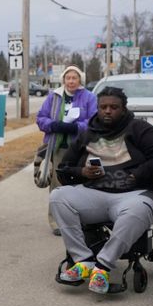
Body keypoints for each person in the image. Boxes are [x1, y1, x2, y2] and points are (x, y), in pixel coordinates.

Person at [50, 87, 153, 294]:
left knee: (136, 210)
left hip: (136, 193)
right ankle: (83, 261)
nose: (108, 111)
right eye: (103, 107)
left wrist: (136, 175)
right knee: (58, 197)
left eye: (113, 107)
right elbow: (63, 170)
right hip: (96, 193)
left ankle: (103, 266)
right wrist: (83, 172)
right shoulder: (87, 134)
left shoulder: (140, 129)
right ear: (97, 109)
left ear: (123, 109)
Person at [36, 65, 97, 236]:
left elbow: (94, 121)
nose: (71, 81)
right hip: (57, 149)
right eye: (68, 78)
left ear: (80, 80)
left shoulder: (89, 97)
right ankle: (56, 221)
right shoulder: (53, 97)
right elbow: (40, 118)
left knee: (79, 184)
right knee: (57, 186)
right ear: (63, 80)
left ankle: (81, 220)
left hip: (79, 149)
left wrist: (75, 128)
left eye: (74, 78)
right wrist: (53, 125)